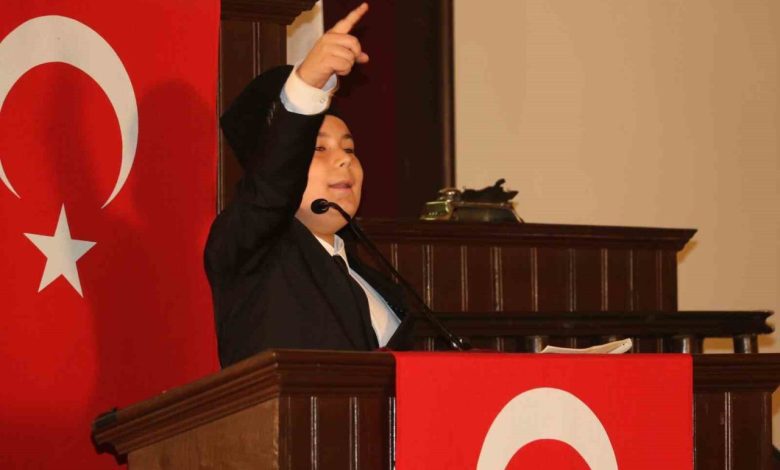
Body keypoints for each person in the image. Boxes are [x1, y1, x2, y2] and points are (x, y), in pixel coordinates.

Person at [205, 3, 405, 367]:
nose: (344, 160)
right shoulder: (249, 250)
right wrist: (308, 86)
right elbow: (272, 184)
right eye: (318, 149)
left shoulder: (377, 281)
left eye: (349, 148)